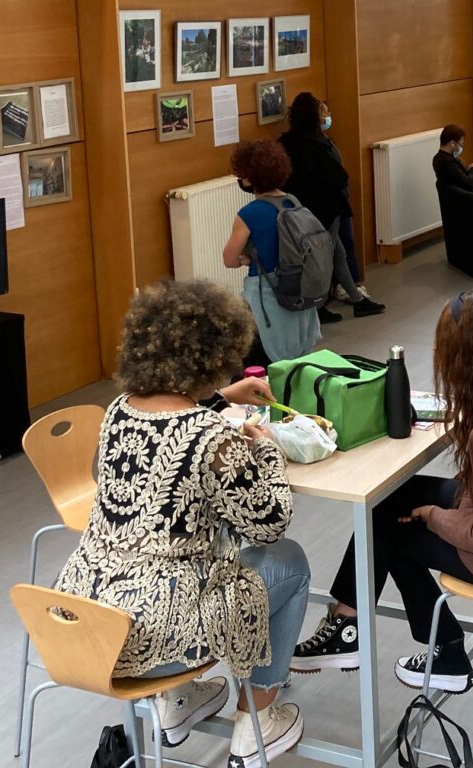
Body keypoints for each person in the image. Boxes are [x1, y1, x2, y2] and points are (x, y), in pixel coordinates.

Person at [54, 281, 309, 762]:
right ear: (214, 355)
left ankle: (175, 701)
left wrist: (220, 398)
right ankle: (260, 718)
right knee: (286, 561)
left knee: (185, 562)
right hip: (158, 637)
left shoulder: (116, 412)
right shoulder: (213, 438)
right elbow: (269, 522)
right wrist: (268, 449)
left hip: (88, 623)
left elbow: (172, 423)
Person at [291, 292, 473, 693]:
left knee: (389, 532)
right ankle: (348, 624)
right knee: (391, 501)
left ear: (464, 356)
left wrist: (435, 517)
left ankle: (441, 649)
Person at [280, 93, 384, 323]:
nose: (327, 117)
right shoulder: (320, 144)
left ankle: (356, 300)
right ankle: (321, 305)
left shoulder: (285, 143)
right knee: (327, 258)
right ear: (315, 116)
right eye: (323, 112)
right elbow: (339, 176)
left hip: (299, 211)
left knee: (334, 254)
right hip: (326, 209)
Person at [224, 139, 320, 363]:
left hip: (268, 300)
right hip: (300, 293)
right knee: (298, 364)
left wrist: (245, 259)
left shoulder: (250, 213)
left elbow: (229, 260)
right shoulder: (293, 202)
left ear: (248, 177)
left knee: (255, 367)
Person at [433, 123, 473, 193]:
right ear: (453, 144)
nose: (462, 147)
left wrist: (470, 169)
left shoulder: (438, 158)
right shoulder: (447, 162)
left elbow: (458, 177)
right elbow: (466, 183)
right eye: (461, 144)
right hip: (468, 200)